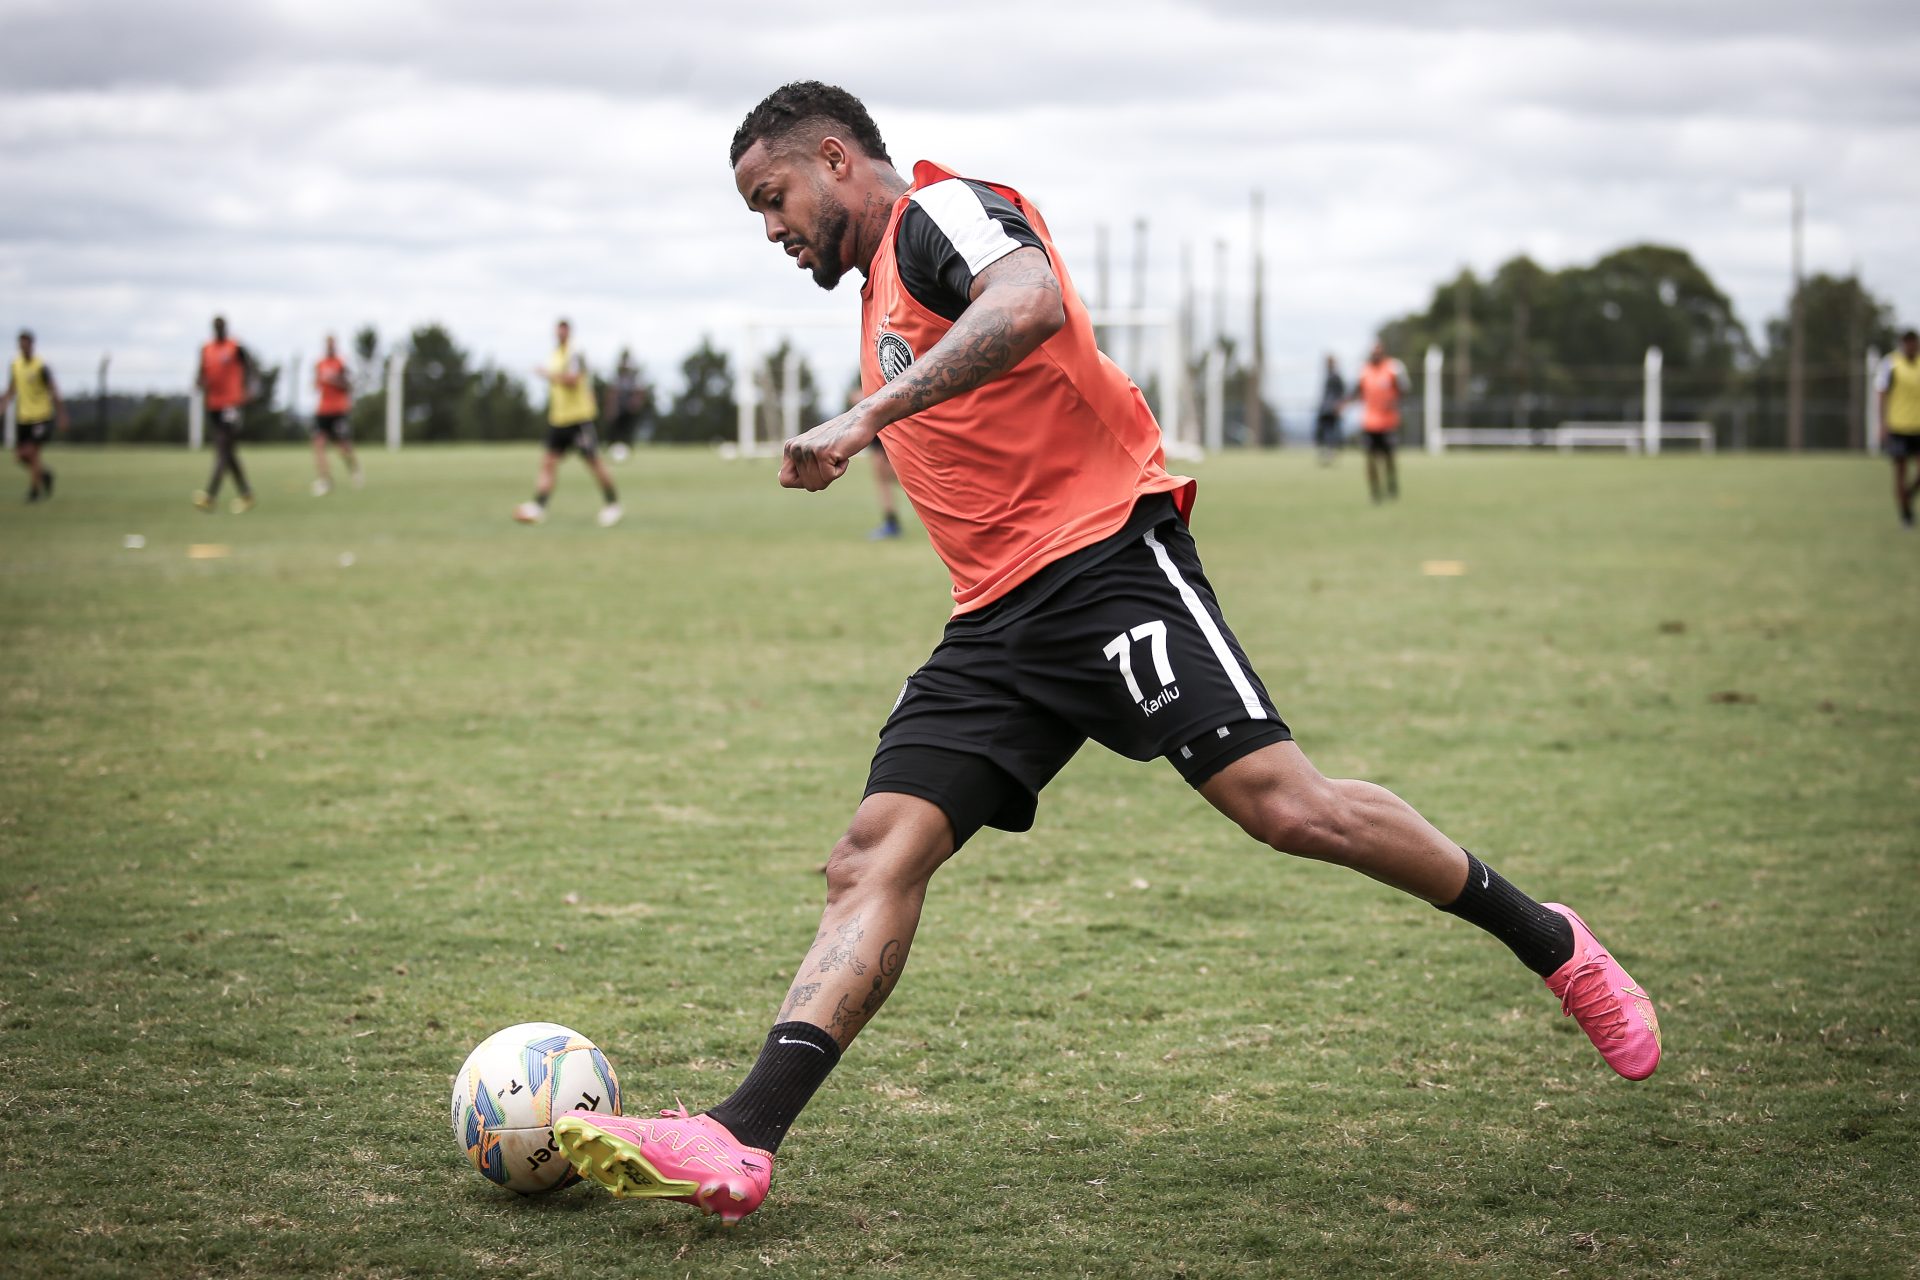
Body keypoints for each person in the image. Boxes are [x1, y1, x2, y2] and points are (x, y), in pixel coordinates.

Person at [552, 82, 1661, 1224]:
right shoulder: (880, 282)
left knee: (1290, 809)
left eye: (771, 197)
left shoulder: (942, 214)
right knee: (871, 855)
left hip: (1106, 565)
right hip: (994, 623)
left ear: (836, 159)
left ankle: (1555, 942)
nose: (771, 228)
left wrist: (864, 416)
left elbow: (1026, 303)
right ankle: (740, 1135)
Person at [515, 319, 621, 527]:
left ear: (569, 332)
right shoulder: (556, 354)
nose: (560, 334)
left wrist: (547, 374)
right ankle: (539, 507)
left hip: (578, 419)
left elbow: (573, 380)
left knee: (594, 463)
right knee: (548, 462)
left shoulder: (575, 353)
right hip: (559, 419)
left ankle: (612, 504)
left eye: (563, 331)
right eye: (558, 331)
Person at [194, 316, 255, 513]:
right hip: (214, 405)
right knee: (228, 453)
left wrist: (251, 387)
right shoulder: (206, 349)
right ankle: (246, 493)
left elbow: (250, 367)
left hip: (232, 405)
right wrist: (199, 382)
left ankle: (211, 495)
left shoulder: (235, 347)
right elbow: (200, 374)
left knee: (223, 447)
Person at [2, 330, 66, 502]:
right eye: (21, 344)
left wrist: (61, 414)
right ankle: (44, 475)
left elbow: (53, 389)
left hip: (41, 416)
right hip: (23, 417)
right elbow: (11, 389)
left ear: (32, 344)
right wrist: (3, 404)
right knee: (20, 456)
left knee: (32, 453)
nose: (23, 347)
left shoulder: (41, 366)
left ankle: (34, 492)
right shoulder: (15, 365)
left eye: (26, 343)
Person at [1346, 340, 1409, 502]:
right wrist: (1343, 404)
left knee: (1389, 458)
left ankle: (1392, 486)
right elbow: (1355, 391)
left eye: (1379, 351)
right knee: (1370, 458)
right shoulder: (1363, 371)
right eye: (1374, 352)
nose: (1376, 354)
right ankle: (1375, 492)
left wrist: (1395, 402)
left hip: (1388, 422)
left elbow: (1404, 389)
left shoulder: (1394, 368)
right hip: (1370, 422)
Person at [1877, 329, 1920, 528]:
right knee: (1901, 472)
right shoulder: (1891, 363)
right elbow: (1882, 393)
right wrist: (1882, 424)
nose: (1912, 347)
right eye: (1908, 343)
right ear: (1903, 344)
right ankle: (1905, 515)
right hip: (1898, 426)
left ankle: (1908, 496)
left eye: (1914, 343)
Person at [310, 334, 362, 496]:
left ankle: (354, 468)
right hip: (323, 410)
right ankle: (326, 480)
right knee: (319, 444)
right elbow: (315, 385)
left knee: (343, 447)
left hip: (339, 410)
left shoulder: (341, 363)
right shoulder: (319, 364)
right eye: (327, 344)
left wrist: (335, 380)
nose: (329, 347)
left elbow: (350, 385)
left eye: (332, 344)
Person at [602, 348, 650, 463]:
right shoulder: (616, 378)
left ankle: (628, 451)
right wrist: (610, 408)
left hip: (629, 410)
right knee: (615, 431)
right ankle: (612, 450)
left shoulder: (634, 378)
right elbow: (611, 393)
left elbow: (640, 392)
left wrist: (635, 403)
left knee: (627, 431)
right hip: (618, 409)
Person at [1313, 352, 1345, 465]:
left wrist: (1339, 406)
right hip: (1324, 408)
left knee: (1330, 430)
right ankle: (1326, 450)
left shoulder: (1336, 377)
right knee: (1323, 430)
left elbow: (1341, 393)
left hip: (1331, 409)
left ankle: (1330, 451)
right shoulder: (1328, 375)